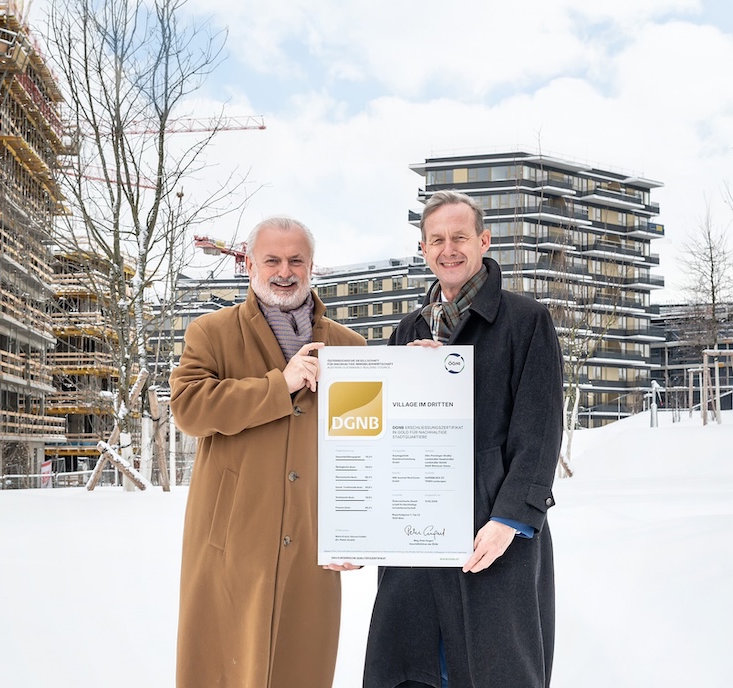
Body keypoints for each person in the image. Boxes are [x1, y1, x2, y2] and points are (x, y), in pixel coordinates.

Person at [363, 190, 563, 688]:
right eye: (436, 240)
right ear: (424, 249)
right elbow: (384, 435)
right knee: (413, 668)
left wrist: (508, 521)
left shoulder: (526, 321)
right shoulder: (406, 330)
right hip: (417, 536)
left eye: (459, 237)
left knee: (497, 668)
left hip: (492, 533)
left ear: (483, 240)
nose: (448, 249)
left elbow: (539, 433)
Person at [170, 216, 365, 688]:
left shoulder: (350, 346)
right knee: (223, 668)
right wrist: (281, 385)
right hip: (232, 542)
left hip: (313, 546)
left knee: (303, 668)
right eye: (272, 260)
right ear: (250, 265)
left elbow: (368, 443)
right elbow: (189, 408)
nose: (284, 271)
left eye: (296, 260)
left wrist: (359, 531)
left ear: (312, 266)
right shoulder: (210, 332)